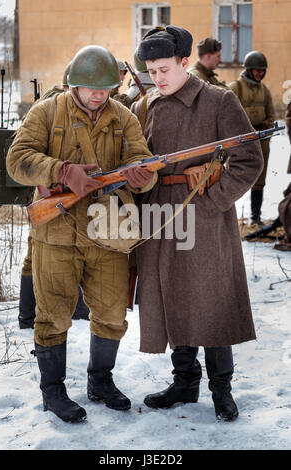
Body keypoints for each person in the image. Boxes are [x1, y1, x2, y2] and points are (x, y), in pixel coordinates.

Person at [6, 45, 156, 423]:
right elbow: (17, 160)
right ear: (73, 83)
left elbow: (141, 162)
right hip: (55, 235)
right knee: (53, 315)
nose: (98, 95)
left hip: (107, 234)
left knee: (110, 315)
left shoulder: (124, 118)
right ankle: (53, 391)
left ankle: (100, 381)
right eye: (91, 88)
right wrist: (61, 171)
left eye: (105, 88)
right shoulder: (48, 112)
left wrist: (142, 175)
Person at [131, 25, 263, 421]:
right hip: (160, 215)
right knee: (173, 297)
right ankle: (184, 382)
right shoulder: (144, 106)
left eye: (165, 69)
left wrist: (213, 201)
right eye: (152, 71)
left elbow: (249, 160)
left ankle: (221, 388)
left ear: (185, 63)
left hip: (204, 215)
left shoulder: (219, 101)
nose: (158, 78)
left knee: (211, 299)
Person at [18, 61, 90, 330]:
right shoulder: (51, 109)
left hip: (52, 190)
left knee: (36, 254)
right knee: (35, 254)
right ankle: (30, 316)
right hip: (50, 190)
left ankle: (30, 314)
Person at [229, 51, 275, 225]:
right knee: (235, 178)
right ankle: (231, 218)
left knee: (259, 181)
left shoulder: (265, 90)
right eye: (256, 71)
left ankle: (255, 218)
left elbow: (271, 115)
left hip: (261, 141)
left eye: (262, 71)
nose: (260, 74)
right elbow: (229, 115)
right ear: (248, 69)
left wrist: (267, 128)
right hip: (241, 142)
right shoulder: (235, 88)